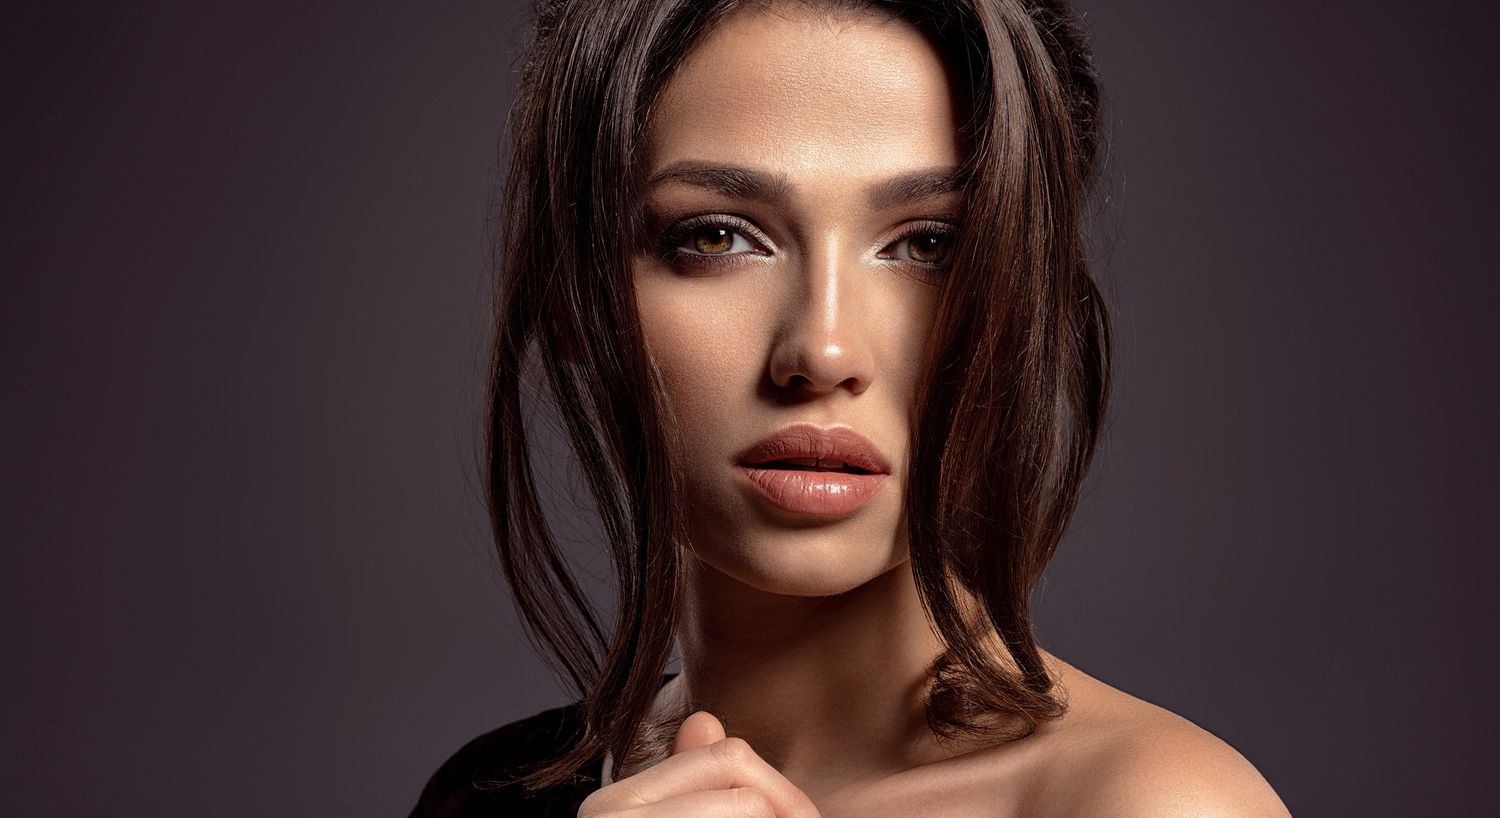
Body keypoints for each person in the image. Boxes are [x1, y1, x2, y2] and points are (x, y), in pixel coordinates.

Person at [411, 0, 1291, 815]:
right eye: (716, 236)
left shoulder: (1147, 804)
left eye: (928, 245)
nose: (822, 353)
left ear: (1032, 304)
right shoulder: (483, 797)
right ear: (572, 297)